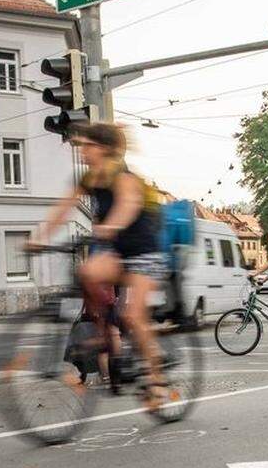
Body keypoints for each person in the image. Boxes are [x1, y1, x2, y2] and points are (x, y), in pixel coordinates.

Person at [33, 123, 170, 409]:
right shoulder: (90, 178)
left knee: (133, 316)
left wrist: (110, 226)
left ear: (104, 148)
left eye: (87, 145)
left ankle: (157, 380)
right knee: (86, 272)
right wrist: (40, 237)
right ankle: (102, 330)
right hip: (118, 253)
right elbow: (64, 207)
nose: (82, 150)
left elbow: (129, 204)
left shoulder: (123, 177)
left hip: (145, 253)